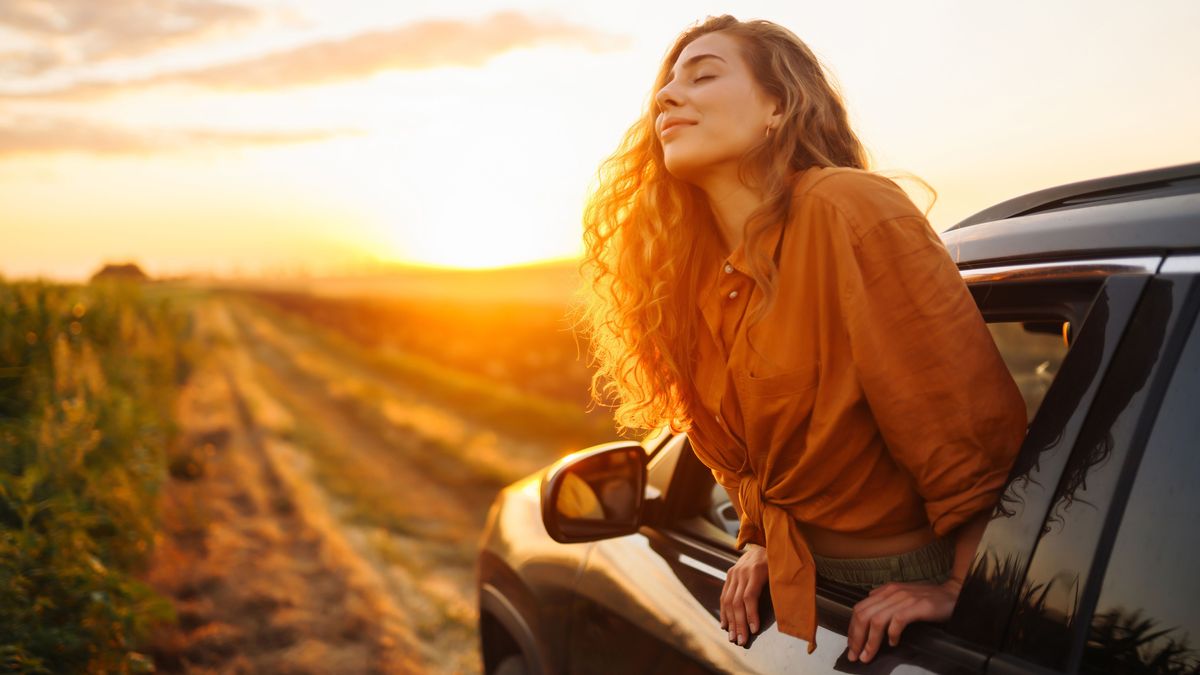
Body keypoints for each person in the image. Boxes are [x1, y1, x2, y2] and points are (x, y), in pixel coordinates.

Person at [573, 14, 1028, 664]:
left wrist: (963, 585)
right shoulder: (693, 278)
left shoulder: (847, 208)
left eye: (703, 75)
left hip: (900, 588)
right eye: (665, 85)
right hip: (805, 591)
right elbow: (761, 453)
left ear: (778, 106)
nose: (666, 97)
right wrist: (762, 539)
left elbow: (959, 418)